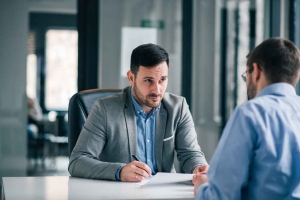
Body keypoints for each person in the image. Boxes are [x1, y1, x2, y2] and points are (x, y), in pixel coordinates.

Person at [69, 43, 208, 182]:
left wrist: (198, 166)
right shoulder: (104, 109)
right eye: (148, 80)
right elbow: (78, 161)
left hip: (164, 192)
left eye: (162, 80)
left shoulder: (178, 107)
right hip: (121, 192)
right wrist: (120, 171)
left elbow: (190, 154)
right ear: (131, 77)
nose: (157, 90)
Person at [193, 38, 300, 199]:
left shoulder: (250, 113)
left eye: (246, 74)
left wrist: (202, 188)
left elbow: (221, 196)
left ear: (256, 71)